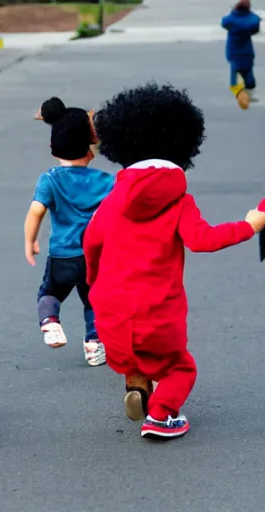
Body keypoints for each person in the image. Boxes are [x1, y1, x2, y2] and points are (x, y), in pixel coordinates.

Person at [83, 82, 265, 439]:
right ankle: (163, 416)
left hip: (112, 315)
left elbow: (90, 244)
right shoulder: (179, 201)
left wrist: (93, 284)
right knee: (181, 368)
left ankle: (137, 384)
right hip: (157, 316)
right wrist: (249, 224)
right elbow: (204, 240)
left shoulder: (111, 200)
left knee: (134, 355)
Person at [25, 97, 114, 366]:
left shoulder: (49, 179)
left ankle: (51, 322)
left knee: (49, 293)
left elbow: (36, 211)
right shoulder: (105, 181)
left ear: (54, 148)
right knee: (94, 301)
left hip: (62, 255)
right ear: (91, 149)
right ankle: (94, 345)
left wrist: (30, 241)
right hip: (95, 257)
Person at [222, 0, 261, 108]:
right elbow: (255, 25)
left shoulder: (230, 20)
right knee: (248, 74)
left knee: (235, 73)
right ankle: (248, 95)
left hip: (233, 51)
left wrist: (233, 12)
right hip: (247, 51)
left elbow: (224, 22)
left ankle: (239, 95)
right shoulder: (251, 20)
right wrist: (250, 13)